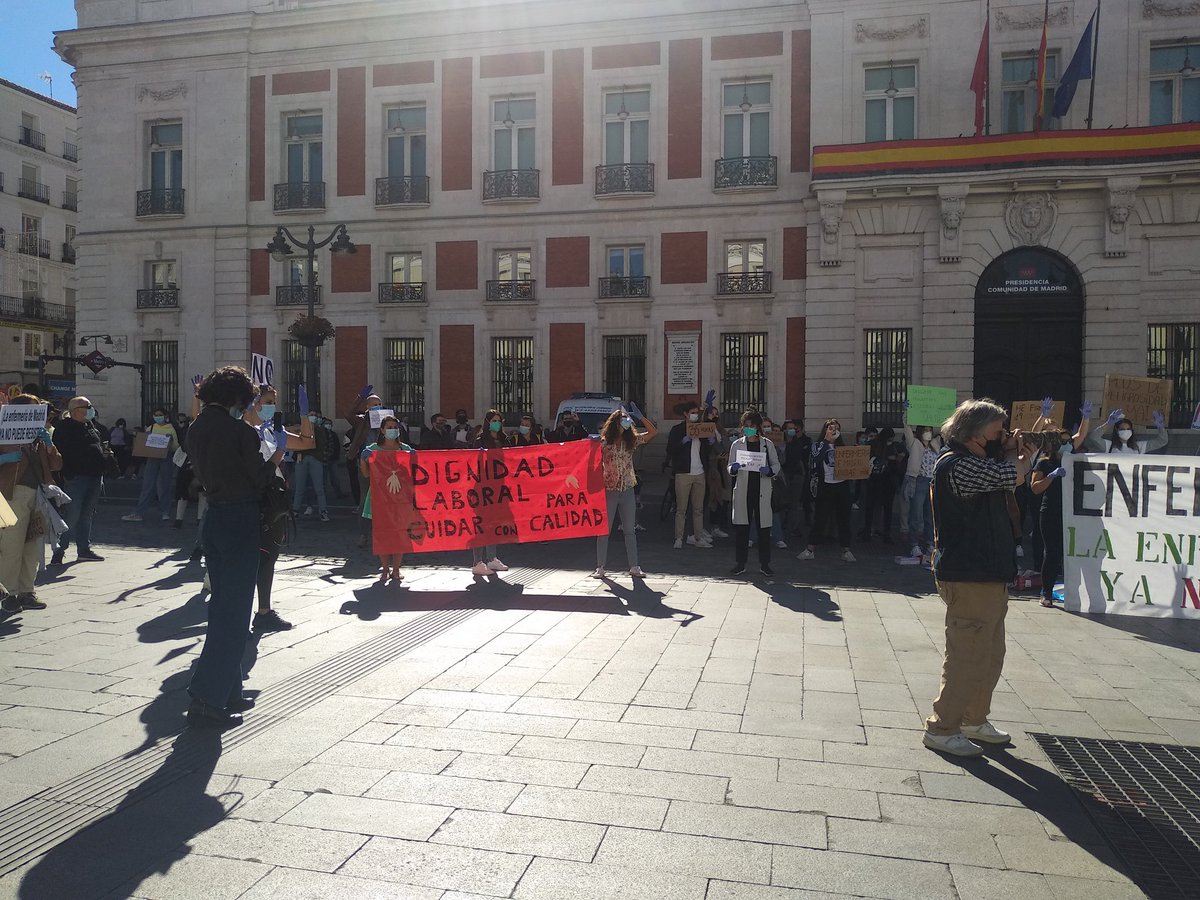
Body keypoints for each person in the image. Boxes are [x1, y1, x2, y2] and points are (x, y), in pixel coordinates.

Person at [923, 398, 1032, 758]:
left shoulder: (976, 461)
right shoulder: (959, 466)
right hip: (968, 574)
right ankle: (943, 727)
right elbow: (1014, 477)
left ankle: (973, 718)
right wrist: (1021, 455)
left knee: (990, 653)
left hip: (987, 572)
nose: (1003, 436)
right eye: (997, 431)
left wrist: (1013, 450)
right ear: (974, 432)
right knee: (967, 654)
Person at [184, 365, 278, 728]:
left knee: (224, 603)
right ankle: (207, 699)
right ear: (238, 398)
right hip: (240, 518)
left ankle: (230, 689)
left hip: (214, 517)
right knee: (234, 611)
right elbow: (259, 477)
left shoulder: (196, 427)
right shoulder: (240, 431)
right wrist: (276, 458)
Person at [243, 384, 316, 632]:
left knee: (269, 555)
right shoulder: (243, 430)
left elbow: (306, 443)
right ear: (253, 402)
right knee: (250, 557)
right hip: (251, 497)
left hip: (273, 497)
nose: (271, 406)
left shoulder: (273, 430)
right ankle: (243, 611)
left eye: (274, 401)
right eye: (266, 401)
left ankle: (263, 611)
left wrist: (304, 415)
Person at [0, 395, 62, 612]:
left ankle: (27, 590)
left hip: (38, 494)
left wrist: (49, 444)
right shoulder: (3, 431)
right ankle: (9, 593)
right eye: (32, 411)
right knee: (11, 546)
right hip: (11, 493)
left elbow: (56, 464)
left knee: (32, 547)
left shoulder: (38, 436)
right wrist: (5, 459)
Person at [1030, 403, 1092, 607]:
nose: (1067, 445)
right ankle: (1045, 592)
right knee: (1053, 552)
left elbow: (1081, 435)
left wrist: (1086, 418)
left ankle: (1073, 590)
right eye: (1063, 442)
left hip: (1073, 512)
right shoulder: (1044, 463)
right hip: (1051, 511)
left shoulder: (1073, 460)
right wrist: (1051, 477)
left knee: (1071, 552)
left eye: (1069, 442)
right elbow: (1035, 488)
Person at [593, 403, 657, 578]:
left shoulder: (632, 440)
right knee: (604, 530)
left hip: (627, 488)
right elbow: (591, 458)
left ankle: (634, 566)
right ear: (616, 422)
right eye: (624, 419)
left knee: (630, 530)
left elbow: (653, 433)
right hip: (609, 488)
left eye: (628, 418)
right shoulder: (605, 443)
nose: (627, 421)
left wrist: (641, 417)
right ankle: (600, 566)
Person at [51, 396, 108, 566]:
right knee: (72, 515)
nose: (91, 409)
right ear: (76, 410)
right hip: (76, 477)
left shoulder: (90, 426)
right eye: (87, 406)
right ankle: (59, 550)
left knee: (87, 514)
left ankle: (84, 549)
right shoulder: (64, 428)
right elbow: (59, 452)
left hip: (95, 475)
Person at [360, 415, 414, 583]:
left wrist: (415, 458)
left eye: (394, 427)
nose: (392, 430)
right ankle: (384, 569)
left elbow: (414, 474)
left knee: (399, 534)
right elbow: (366, 474)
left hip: (400, 499)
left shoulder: (405, 449)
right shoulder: (373, 448)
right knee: (382, 534)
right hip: (379, 498)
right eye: (389, 427)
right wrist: (363, 459)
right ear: (382, 430)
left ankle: (396, 569)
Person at [728, 410, 781, 577]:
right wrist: (733, 468)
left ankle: (765, 564)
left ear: (758, 426)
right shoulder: (737, 445)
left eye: (751, 426)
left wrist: (770, 471)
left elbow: (776, 465)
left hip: (762, 490)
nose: (748, 429)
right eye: (745, 426)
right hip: (744, 490)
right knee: (742, 529)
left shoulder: (767, 444)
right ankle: (740, 563)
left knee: (763, 529)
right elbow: (729, 466)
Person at [798, 419, 854, 562]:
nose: (834, 431)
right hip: (825, 485)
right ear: (825, 430)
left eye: (837, 428)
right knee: (820, 518)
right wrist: (827, 441)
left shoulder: (842, 447)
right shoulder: (818, 445)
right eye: (831, 428)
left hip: (841, 485)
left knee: (844, 518)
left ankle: (846, 550)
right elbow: (815, 458)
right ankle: (810, 549)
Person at [666, 400, 716, 550]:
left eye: (696, 413)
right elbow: (670, 450)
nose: (695, 415)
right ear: (686, 414)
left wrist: (710, 441)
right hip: (683, 473)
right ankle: (679, 538)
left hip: (699, 472)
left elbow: (706, 451)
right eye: (692, 413)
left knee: (698, 508)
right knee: (681, 509)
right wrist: (683, 441)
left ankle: (698, 537)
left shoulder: (701, 429)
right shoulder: (677, 430)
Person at [470, 409, 512, 576]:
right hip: (482, 488)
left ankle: (492, 558)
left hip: (499, 488)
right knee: (481, 524)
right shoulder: (480, 441)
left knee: (494, 523)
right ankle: (477, 562)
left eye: (499, 420)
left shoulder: (504, 440)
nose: (497, 423)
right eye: (494, 420)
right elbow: (474, 463)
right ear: (488, 422)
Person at [122, 407, 178, 522]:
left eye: (160, 415)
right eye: (156, 415)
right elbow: (144, 443)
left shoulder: (171, 428)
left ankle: (165, 512)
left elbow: (175, 447)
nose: (158, 417)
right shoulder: (151, 427)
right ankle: (139, 512)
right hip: (152, 458)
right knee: (147, 486)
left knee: (165, 486)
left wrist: (170, 441)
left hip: (165, 458)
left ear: (165, 416)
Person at [900, 415, 942, 558]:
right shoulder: (914, 443)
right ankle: (914, 545)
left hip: (932, 482)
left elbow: (947, 431)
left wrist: (951, 412)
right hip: (918, 481)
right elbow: (907, 428)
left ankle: (930, 544)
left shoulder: (935, 444)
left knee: (930, 516)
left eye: (930, 430)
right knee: (916, 515)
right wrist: (906, 412)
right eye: (926, 430)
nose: (928, 432)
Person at [857, 427, 900, 545]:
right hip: (887, 481)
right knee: (887, 509)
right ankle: (885, 534)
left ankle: (867, 531)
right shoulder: (891, 446)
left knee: (870, 508)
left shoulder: (873, 444)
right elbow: (896, 460)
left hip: (875, 480)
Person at [292, 405, 332, 522]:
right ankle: (295, 510)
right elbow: (296, 443)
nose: (313, 417)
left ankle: (323, 511)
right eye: (311, 415)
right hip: (302, 458)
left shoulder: (320, 430)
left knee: (319, 488)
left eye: (315, 415)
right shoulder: (300, 428)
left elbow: (320, 444)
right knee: (299, 487)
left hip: (315, 459)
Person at [1087, 407, 1168, 454]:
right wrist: (1108, 423)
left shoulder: (1139, 447)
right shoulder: (1109, 446)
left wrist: (1161, 426)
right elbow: (1094, 437)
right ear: (1116, 430)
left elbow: (1162, 441)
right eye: (1122, 429)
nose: (1126, 431)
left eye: (1128, 429)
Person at [780, 419, 812, 535]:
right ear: (784, 430)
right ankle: (781, 525)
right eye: (789, 428)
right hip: (783, 475)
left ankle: (793, 527)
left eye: (793, 428)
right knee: (782, 502)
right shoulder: (780, 443)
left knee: (794, 503)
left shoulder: (798, 442)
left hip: (796, 475)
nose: (792, 430)